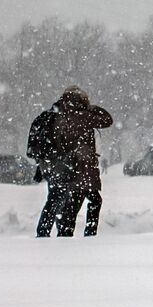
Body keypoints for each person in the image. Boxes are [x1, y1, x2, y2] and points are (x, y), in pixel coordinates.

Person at [29, 87, 112, 237]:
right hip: (78, 169)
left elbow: (52, 143)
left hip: (56, 166)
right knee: (79, 204)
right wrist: (90, 108)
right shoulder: (83, 116)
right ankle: (80, 235)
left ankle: (45, 233)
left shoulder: (56, 114)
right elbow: (107, 119)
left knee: (56, 200)